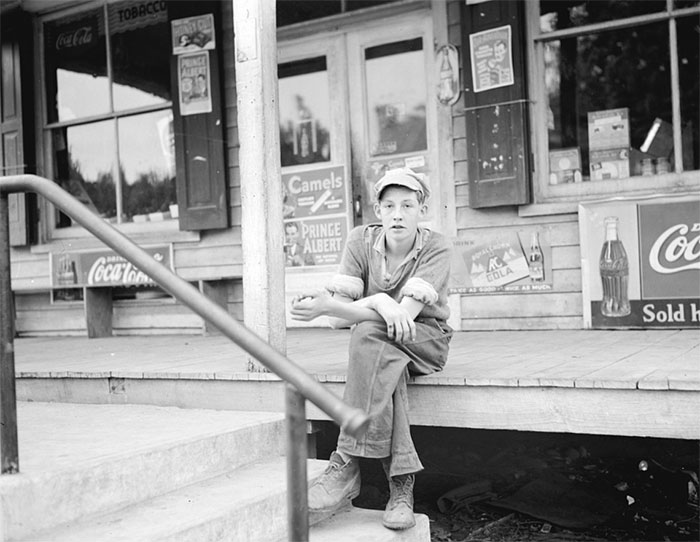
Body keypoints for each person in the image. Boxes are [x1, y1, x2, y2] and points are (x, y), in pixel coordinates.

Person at [290, 167, 453, 530]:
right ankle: (401, 484)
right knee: (380, 354)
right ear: (378, 210)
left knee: (369, 336)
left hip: (426, 339)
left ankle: (346, 461)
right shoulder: (360, 241)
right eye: (390, 205)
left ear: (421, 209)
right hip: (385, 345)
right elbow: (339, 323)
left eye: (408, 205)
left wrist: (350, 304)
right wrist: (379, 300)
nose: (398, 214)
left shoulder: (436, 246)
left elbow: (403, 321)